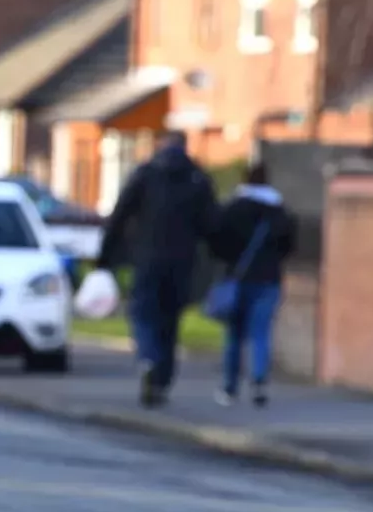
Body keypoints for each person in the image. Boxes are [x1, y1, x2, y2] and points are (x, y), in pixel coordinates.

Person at [94, 131, 218, 408]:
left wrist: (105, 258)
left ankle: (148, 359)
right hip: (182, 262)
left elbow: (120, 214)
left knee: (143, 313)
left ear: (161, 145)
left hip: (148, 258)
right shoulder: (197, 178)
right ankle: (161, 380)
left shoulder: (146, 174)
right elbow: (212, 225)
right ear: (185, 147)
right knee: (169, 321)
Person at [207, 163, 296, 407]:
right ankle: (258, 383)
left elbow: (216, 242)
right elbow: (289, 247)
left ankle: (230, 387)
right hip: (269, 279)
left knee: (234, 336)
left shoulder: (233, 209)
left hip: (237, 279)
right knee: (261, 333)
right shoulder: (280, 212)